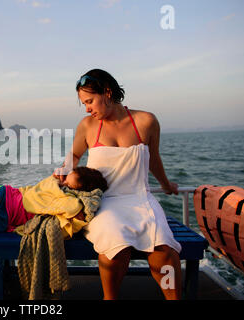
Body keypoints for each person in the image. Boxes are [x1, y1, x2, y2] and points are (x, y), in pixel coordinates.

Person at [53, 68, 182, 300]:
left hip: (140, 199)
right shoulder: (87, 126)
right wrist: (64, 172)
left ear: (108, 92)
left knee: (164, 250)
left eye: (90, 101)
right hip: (104, 202)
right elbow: (73, 157)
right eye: (84, 103)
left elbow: (153, 159)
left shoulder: (146, 121)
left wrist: (165, 184)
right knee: (116, 248)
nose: (87, 108)